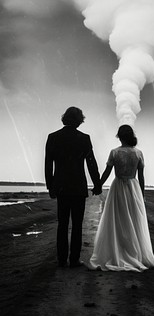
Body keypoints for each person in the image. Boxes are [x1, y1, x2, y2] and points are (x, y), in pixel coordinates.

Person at [89, 125, 154, 272]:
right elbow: (141, 177)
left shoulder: (114, 152)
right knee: (132, 219)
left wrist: (98, 185)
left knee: (117, 219)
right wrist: (142, 194)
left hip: (118, 187)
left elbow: (107, 172)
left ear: (119, 136)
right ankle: (134, 252)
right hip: (133, 188)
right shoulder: (138, 153)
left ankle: (118, 250)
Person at [45, 106, 102, 268]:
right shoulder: (84, 138)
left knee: (62, 224)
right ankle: (74, 259)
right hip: (78, 187)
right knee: (77, 224)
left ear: (65, 118)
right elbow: (91, 164)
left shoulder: (53, 137)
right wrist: (97, 184)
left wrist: (51, 186)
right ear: (79, 120)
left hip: (61, 187)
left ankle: (62, 260)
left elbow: (48, 164)